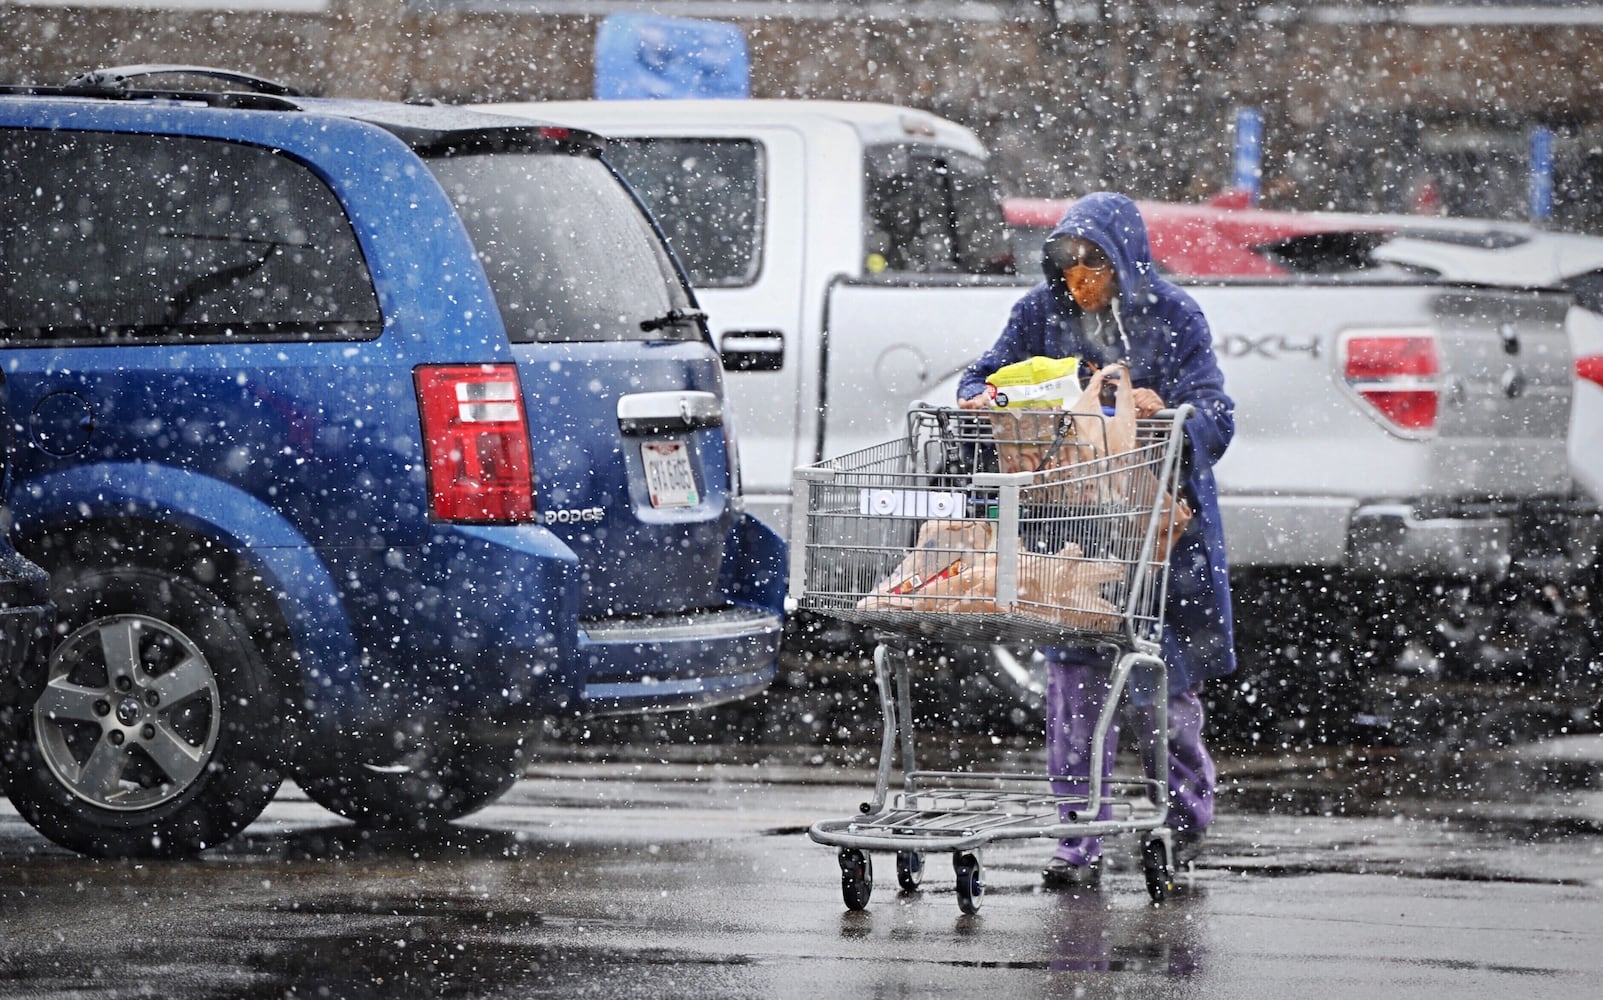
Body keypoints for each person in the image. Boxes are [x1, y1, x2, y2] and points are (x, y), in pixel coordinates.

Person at [956, 192, 1236, 889]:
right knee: (1074, 698)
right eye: (1067, 260)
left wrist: (1168, 420)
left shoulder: (1173, 317)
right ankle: (1076, 841)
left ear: (1125, 260)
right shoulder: (1038, 314)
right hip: (1072, 532)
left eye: (1094, 260)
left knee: (1162, 701)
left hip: (1157, 539)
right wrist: (983, 401)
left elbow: (1217, 413)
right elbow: (986, 375)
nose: (1080, 274)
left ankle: (1179, 826)